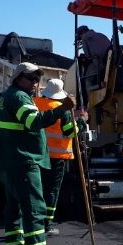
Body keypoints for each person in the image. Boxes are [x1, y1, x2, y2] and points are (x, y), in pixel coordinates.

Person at [0, 62, 75, 245]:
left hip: (9, 162)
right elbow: (33, 122)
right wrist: (64, 108)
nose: (35, 82)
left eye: (37, 79)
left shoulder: (7, 96)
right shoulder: (19, 97)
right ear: (18, 77)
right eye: (30, 78)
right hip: (24, 161)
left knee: (14, 211)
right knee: (34, 210)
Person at [33, 78, 87, 236]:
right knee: (52, 190)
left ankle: (34, 221)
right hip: (56, 156)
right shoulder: (61, 109)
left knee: (38, 188)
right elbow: (70, 131)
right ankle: (47, 224)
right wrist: (82, 122)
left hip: (37, 154)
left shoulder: (34, 103)